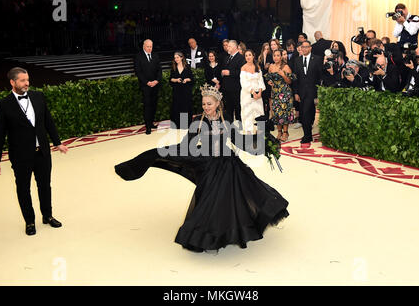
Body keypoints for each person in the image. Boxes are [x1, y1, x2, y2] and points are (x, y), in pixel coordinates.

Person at [114, 84, 289, 253]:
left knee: (234, 196)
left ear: (217, 104)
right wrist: (161, 152)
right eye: (204, 104)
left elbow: (239, 141)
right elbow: (186, 146)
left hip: (227, 163)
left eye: (209, 104)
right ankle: (204, 235)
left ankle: (228, 229)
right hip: (207, 163)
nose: (206, 107)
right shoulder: (197, 122)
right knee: (208, 200)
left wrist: (262, 143)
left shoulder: (226, 118)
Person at [0, 67, 68, 236]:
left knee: (45, 186)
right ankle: (30, 221)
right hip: (20, 156)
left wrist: (58, 143)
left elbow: (48, 121)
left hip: (42, 152)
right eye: (22, 80)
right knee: (23, 189)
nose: (27, 83)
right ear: (12, 82)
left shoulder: (38, 96)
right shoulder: (4, 104)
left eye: (27, 80)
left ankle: (47, 216)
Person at [291, 41, 323, 148]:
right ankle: (307, 133)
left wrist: (319, 92)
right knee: (305, 113)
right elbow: (295, 79)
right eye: (302, 47)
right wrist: (295, 92)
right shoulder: (297, 60)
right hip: (301, 92)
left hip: (312, 91)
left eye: (306, 47)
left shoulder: (317, 59)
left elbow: (320, 77)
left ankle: (307, 135)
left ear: (310, 48)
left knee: (306, 112)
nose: (304, 49)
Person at [265, 50, 295, 143]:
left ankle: (285, 132)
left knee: (284, 113)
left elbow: (290, 81)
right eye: (274, 55)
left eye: (278, 55)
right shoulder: (271, 66)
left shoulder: (285, 67)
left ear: (281, 56)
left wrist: (283, 75)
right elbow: (268, 78)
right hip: (275, 92)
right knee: (276, 113)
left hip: (285, 92)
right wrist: (269, 82)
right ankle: (279, 132)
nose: (276, 57)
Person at [134, 39, 162, 135]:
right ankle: (148, 126)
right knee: (147, 106)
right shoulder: (138, 57)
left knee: (154, 105)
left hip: (155, 85)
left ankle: (152, 122)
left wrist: (156, 80)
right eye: (148, 46)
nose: (150, 48)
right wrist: (147, 82)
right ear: (143, 46)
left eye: (151, 46)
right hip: (146, 86)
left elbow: (159, 70)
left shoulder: (155, 55)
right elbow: (138, 72)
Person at [240, 49, 266, 134]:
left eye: (249, 55)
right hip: (247, 94)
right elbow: (243, 82)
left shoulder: (257, 66)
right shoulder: (243, 68)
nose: (248, 57)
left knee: (258, 112)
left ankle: (259, 133)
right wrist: (252, 92)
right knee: (248, 113)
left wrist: (260, 92)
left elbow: (260, 80)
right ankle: (249, 133)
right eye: (246, 55)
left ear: (253, 56)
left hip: (258, 94)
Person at [220, 40, 245, 123]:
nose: (227, 48)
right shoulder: (227, 58)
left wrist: (230, 73)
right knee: (228, 109)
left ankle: (239, 126)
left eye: (229, 46)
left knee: (238, 108)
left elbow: (242, 72)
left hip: (236, 88)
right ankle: (229, 126)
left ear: (235, 47)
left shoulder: (241, 58)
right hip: (226, 88)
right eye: (227, 46)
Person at [169, 52, 194, 129]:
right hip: (177, 91)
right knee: (177, 106)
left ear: (181, 57)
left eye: (177, 57)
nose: (176, 59)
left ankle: (185, 124)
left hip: (186, 91)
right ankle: (177, 124)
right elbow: (170, 79)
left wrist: (187, 79)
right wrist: (176, 80)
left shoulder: (187, 67)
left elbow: (192, 78)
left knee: (185, 107)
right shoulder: (173, 67)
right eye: (175, 58)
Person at [258, 42, 272, 115]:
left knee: (269, 98)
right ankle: (263, 114)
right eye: (265, 49)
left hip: (268, 80)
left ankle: (269, 114)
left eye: (268, 49)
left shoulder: (270, 56)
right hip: (262, 80)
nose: (266, 50)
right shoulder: (260, 57)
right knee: (263, 98)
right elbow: (259, 69)